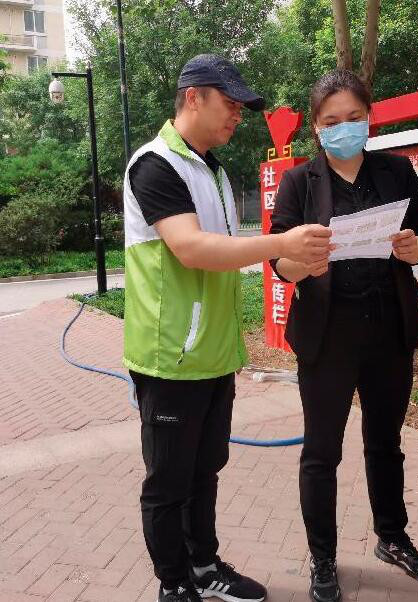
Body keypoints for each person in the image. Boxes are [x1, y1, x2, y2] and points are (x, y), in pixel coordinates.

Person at [123, 54, 332, 602]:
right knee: (168, 482)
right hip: (170, 357)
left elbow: (228, 253)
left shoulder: (212, 171)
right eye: (230, 103)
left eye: (242, 106)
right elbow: (191, 249)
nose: (238, 115)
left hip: (215, 353)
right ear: (193, 97)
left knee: (205, 471)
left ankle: (203, 565)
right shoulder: (155, 164)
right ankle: (174, 585)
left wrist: (293, 257)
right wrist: (280, 242)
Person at [269, 70, 418, 602]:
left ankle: (392, 537)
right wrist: (303, 264)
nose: (343, 128)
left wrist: (417, 248)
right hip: (328, 336)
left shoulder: (396, 171)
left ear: (369, 117)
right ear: (316, 127)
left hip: (389, 329)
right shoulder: (300, 182)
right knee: (322, 452)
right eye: (331, 121)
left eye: (353, 118)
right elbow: (278, 260)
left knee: (385, 443)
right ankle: (323, 556)